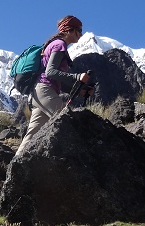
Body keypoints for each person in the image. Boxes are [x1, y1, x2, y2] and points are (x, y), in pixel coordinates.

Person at [14, 15, 91, 157]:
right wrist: (77, 77)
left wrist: (80, 91)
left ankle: (12, 170)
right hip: (44, 91)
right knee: (69, 123)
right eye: (79, 30)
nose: (81, 34)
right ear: (69, 30)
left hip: (38, 94)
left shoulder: (55, 45)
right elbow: (50, 72)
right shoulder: (59, 45)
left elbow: (58, 81)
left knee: (31, 136)